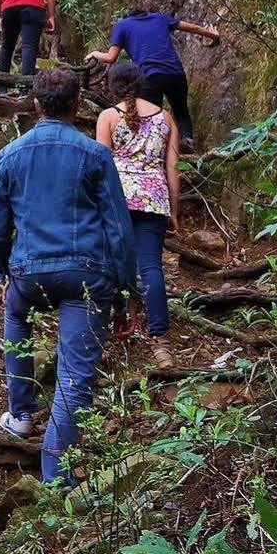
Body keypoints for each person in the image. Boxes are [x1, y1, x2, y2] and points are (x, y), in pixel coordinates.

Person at [0, 67, 133, 484]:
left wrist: (4, 271)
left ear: (35, 104)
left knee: (15, 315)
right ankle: (56, 479)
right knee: (73, 374)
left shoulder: (9, 155)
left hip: (29, 271)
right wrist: (123, 290)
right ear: (78, 104)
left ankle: (21, 413)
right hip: (86, 272)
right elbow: (118, 230)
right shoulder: (95, 155)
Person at [96, 61, 180, 368]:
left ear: (113, 86)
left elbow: (101, 166)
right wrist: (173, 210)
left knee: (108, 265)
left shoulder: (108, 117)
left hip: (118, 201)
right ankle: (161, 345)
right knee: (151, 268)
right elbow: (172, 169)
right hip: (155, 201)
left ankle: (102, 336)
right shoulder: (166, 118)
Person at [85, 6, 221, 151]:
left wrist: (94, 53)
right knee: (181, 111)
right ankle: (187, 141)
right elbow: (192, 28)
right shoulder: (160, 18)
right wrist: (213, 35)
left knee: (151, 115)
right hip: (175, 73)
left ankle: (155, 150)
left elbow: (110, 57)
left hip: (150, 76)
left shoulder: (123, 25)